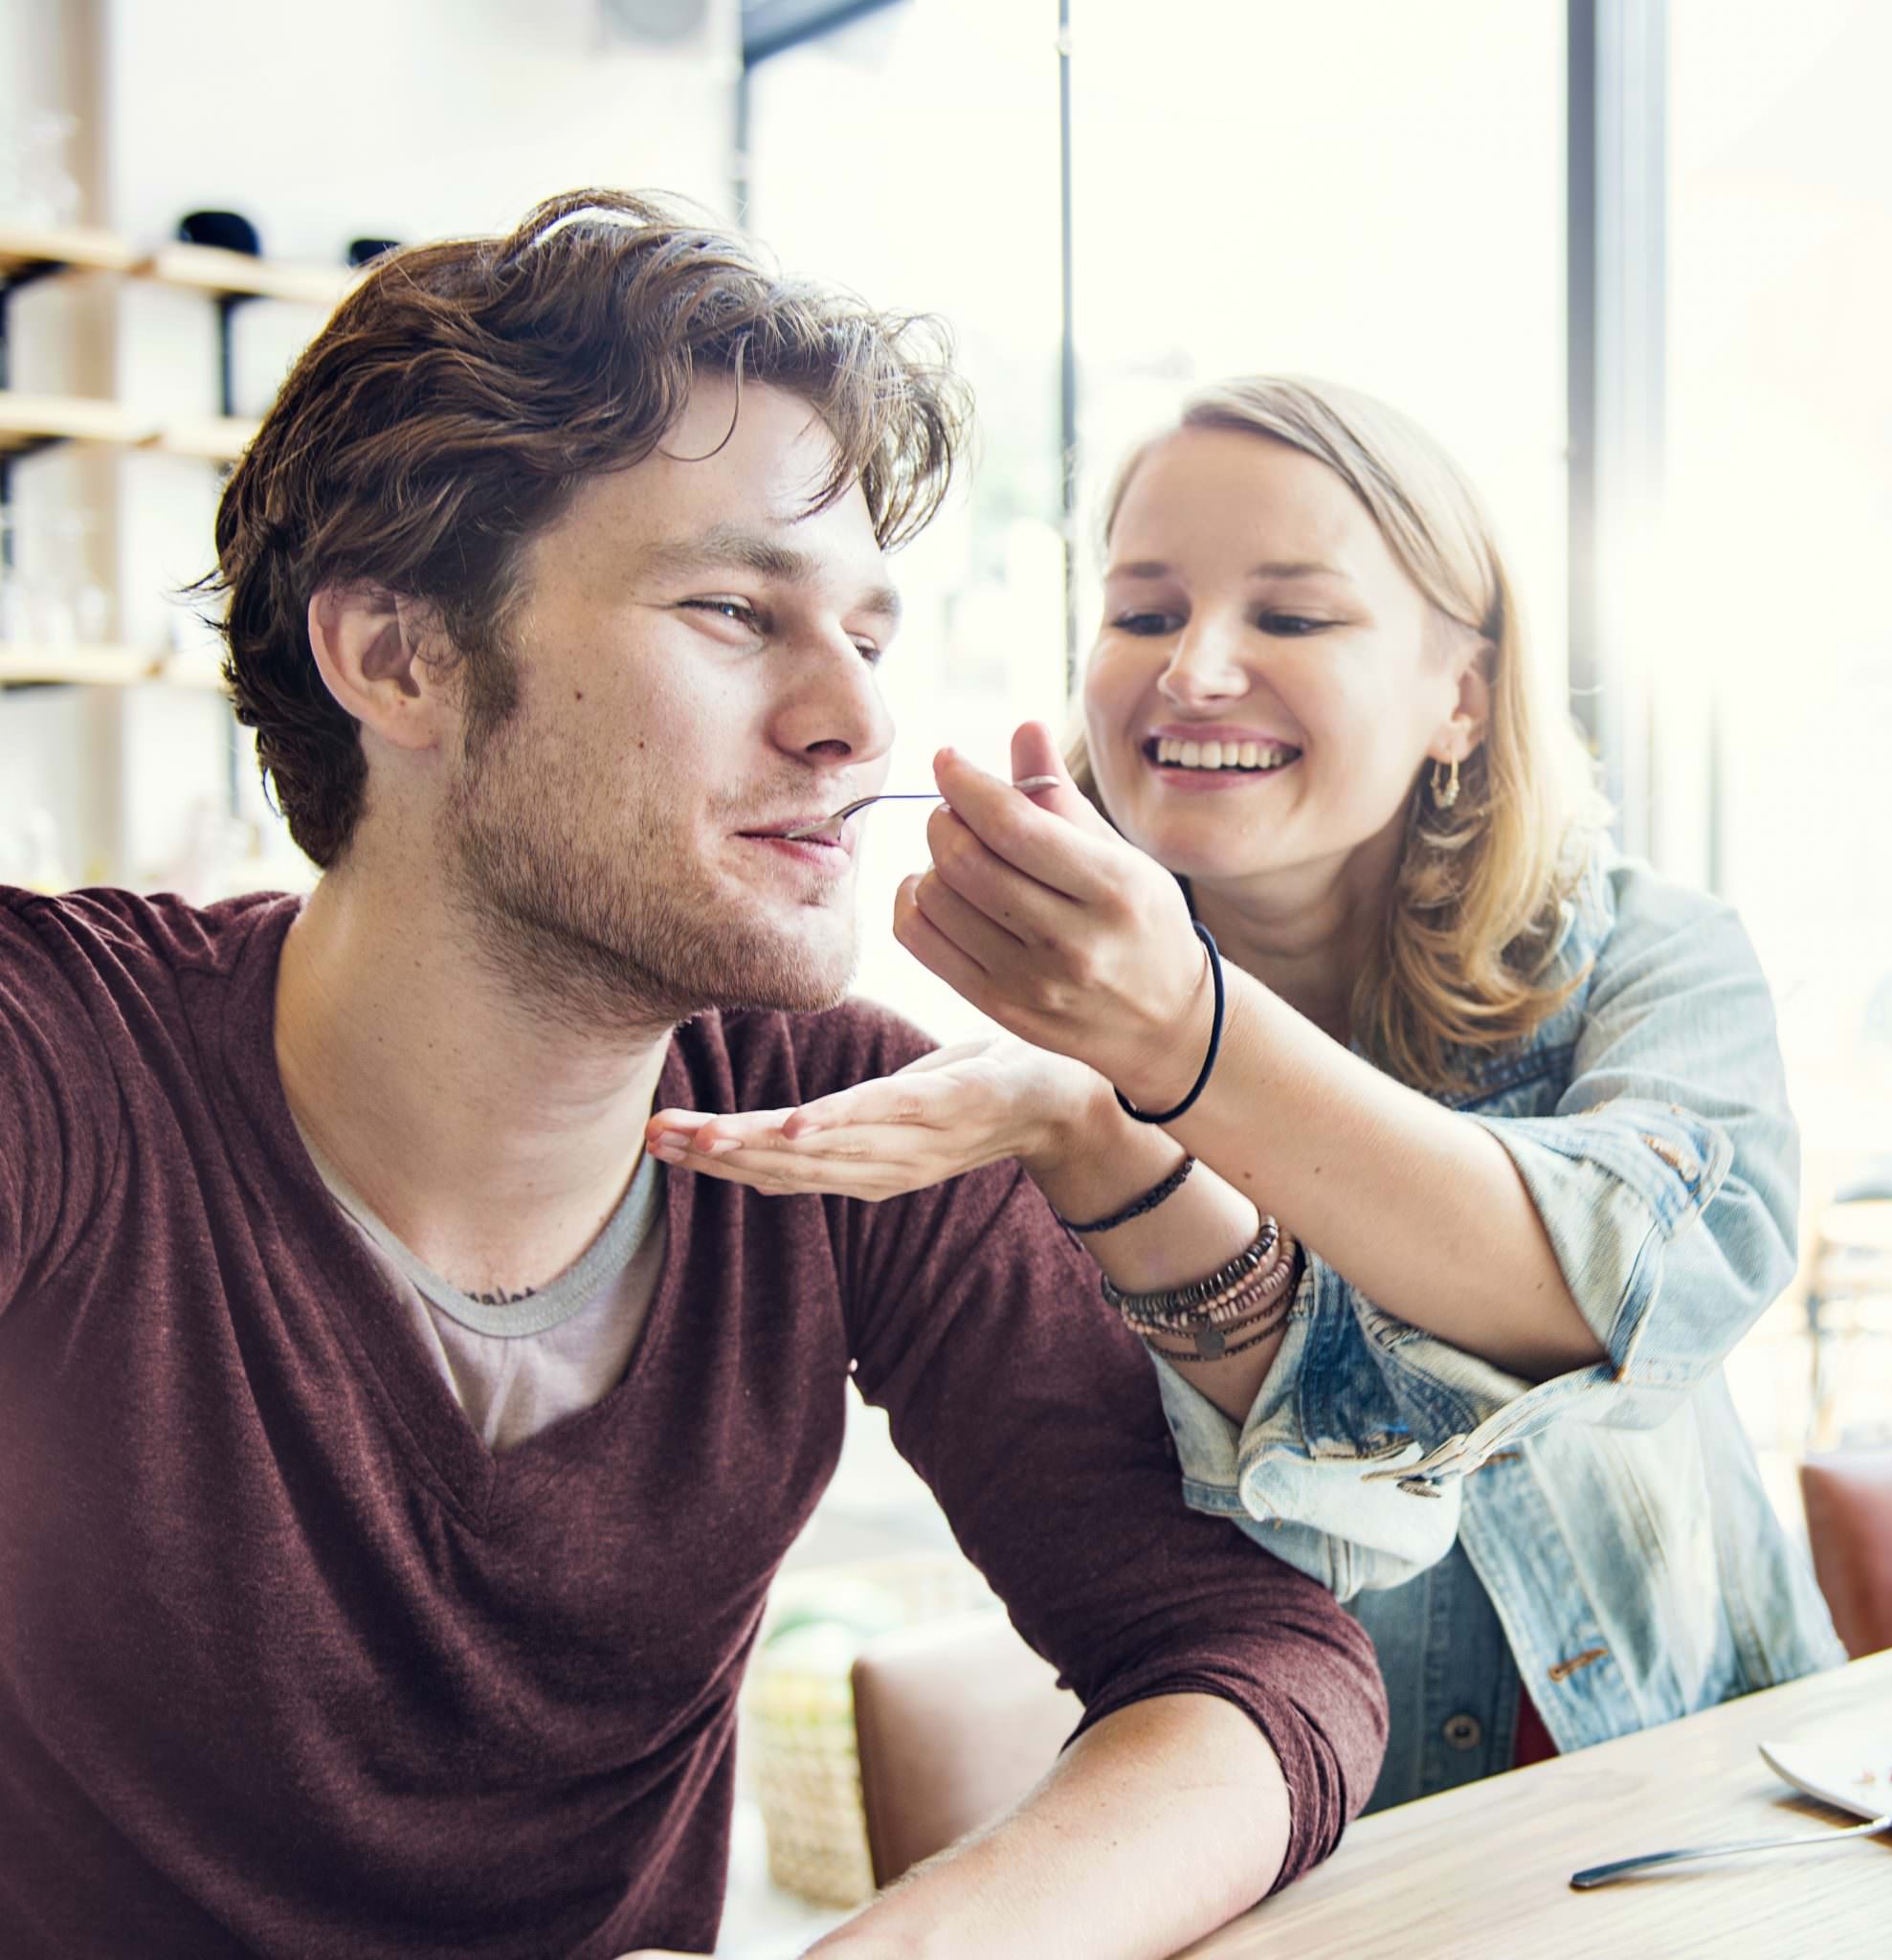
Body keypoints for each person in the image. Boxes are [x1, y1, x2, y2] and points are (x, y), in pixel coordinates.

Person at [0, 206, 1390, 1960]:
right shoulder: (60, 1063)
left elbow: (1263, 1662)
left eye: (868, 636)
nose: (854, 724)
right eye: (736, 610)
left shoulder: (839, 1127)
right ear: (397, 657)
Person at [653, 373, 1844, 1815]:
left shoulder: (1645, 955)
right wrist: (1101, 1115)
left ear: (1458, 697)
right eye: (1145, 613)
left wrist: (1185, 1045)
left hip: (1722, 1807)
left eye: (1292, 617)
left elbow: (1643, 1283)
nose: (1196, 669)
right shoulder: (1027, 1093)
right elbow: (1269, 1551)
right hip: (1330, 1872)